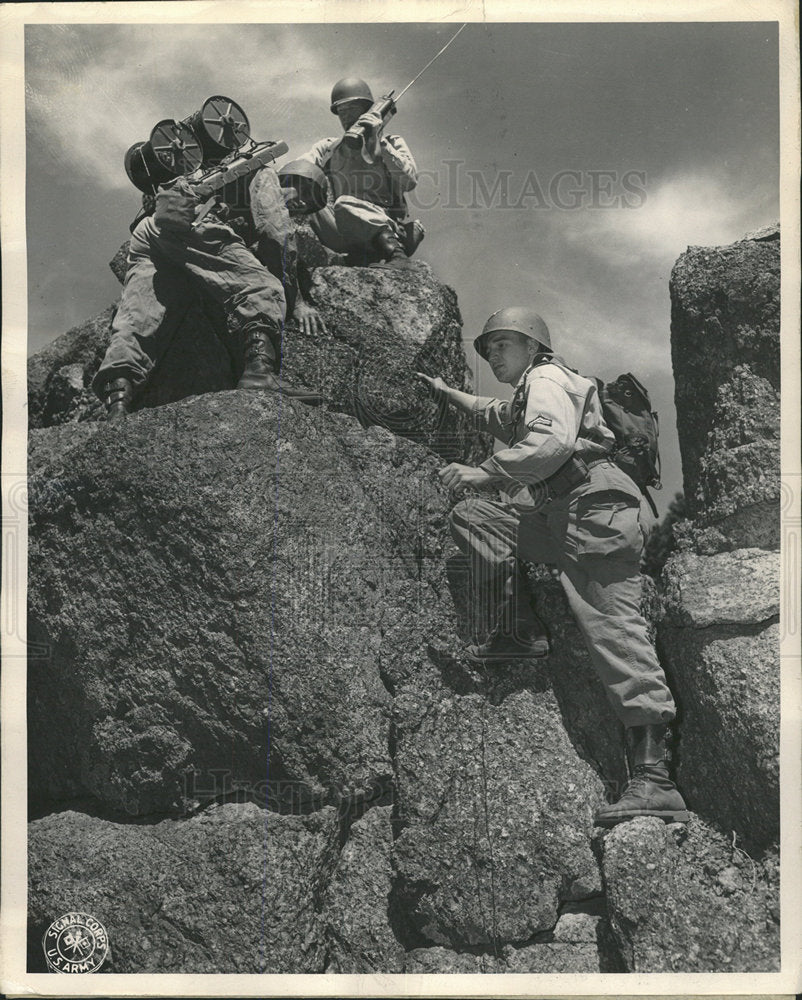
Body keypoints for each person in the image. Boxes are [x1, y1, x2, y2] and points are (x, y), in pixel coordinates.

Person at [416, 307, 689, 826]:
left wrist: (486, 470)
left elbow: (550, 443)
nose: (492, 353)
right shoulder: (529, 391)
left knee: (615, 632)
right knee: (477, 519)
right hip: (559, 511)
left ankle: (655, 781)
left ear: (531, 345)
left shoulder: (546, 377)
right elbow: (499, 416)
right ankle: (522, 630)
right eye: (488, 347)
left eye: (501, 344)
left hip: (594, 509)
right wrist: (447, 392)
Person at [93, 161, 326, 422]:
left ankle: (118, 402)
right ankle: (259, 374)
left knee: (139, 313)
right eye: (306, 194)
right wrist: (296, 300)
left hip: (150, 230)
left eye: (311, 206)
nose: (304, 206)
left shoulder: (223, 180)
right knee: (263, 287)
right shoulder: (263, 172)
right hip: (193, 220)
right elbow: (275, 230)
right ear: (292, 178)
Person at [295, 77, 423, 267]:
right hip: (343, 225)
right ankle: (357, 255)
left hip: (385, 221)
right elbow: (300, 167)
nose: (346, 117)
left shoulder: (392, 143)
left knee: (344, 204)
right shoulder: (328, 148)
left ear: (367, 109)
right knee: (308, 203)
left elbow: (410, 181)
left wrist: (379, 141)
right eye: (341, 111)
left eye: (352, 109)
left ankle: (396, 253)